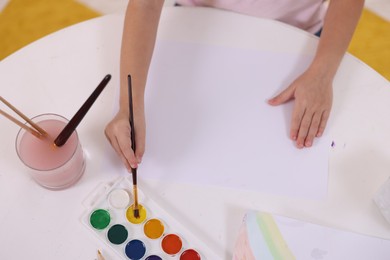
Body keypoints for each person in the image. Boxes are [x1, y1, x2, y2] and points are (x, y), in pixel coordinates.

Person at [105, 0, 364, 172]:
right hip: (194, 21)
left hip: (293, 35)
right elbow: (146, 5)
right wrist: (129, 105)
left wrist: (322, 73)